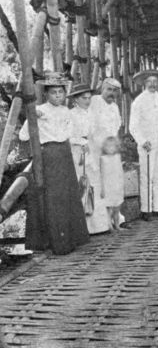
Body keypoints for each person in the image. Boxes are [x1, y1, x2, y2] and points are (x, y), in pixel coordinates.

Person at [18, 72, 89, 255]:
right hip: (48, 156)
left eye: (60, 92)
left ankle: (70, 240)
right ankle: (58, 244)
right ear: (46, 95)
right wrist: (34, 119)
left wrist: (82, 142)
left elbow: (70, 134)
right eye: (53, 93)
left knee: (67, 196)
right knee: (53, 198)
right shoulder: (40, 109)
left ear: (65, 94)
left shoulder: (66, 111)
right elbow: (23, 136)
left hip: (64, 154)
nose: (58, 96)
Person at [129, 70, 158, 220]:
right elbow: (133, 126)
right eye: (149, 82)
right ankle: (146, 209)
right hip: (147, 145)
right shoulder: (139, 101)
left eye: (155, 82)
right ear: (144, 83)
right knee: (147, 176)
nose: (152, 84)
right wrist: (142, 141)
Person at [87, 77, 122, 233]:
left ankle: (115, 220)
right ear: (101, 89)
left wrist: (114, 147)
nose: (111, 93)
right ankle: (99, 225)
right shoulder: (93, 102)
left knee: (112, 186)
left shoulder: (114, 107)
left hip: (110, 152)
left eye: (114, 91)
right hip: (94, 150)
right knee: (96, 184)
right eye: (109, 89)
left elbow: (116, 128)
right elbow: (88, 127)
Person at [100, 136, 125, 231]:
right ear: (104, 147)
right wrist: (102, 188)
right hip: (108, 186)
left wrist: (122, 184)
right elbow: (102, 175)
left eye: (112, 146)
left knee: (117, 208)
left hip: (117, 186)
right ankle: (109, 226)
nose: (110, 148)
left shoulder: (117, 157)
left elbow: (120, 172)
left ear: (116, 147)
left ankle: (117, 225)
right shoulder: (103, 159)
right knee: (109, 209)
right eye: (108, 146)